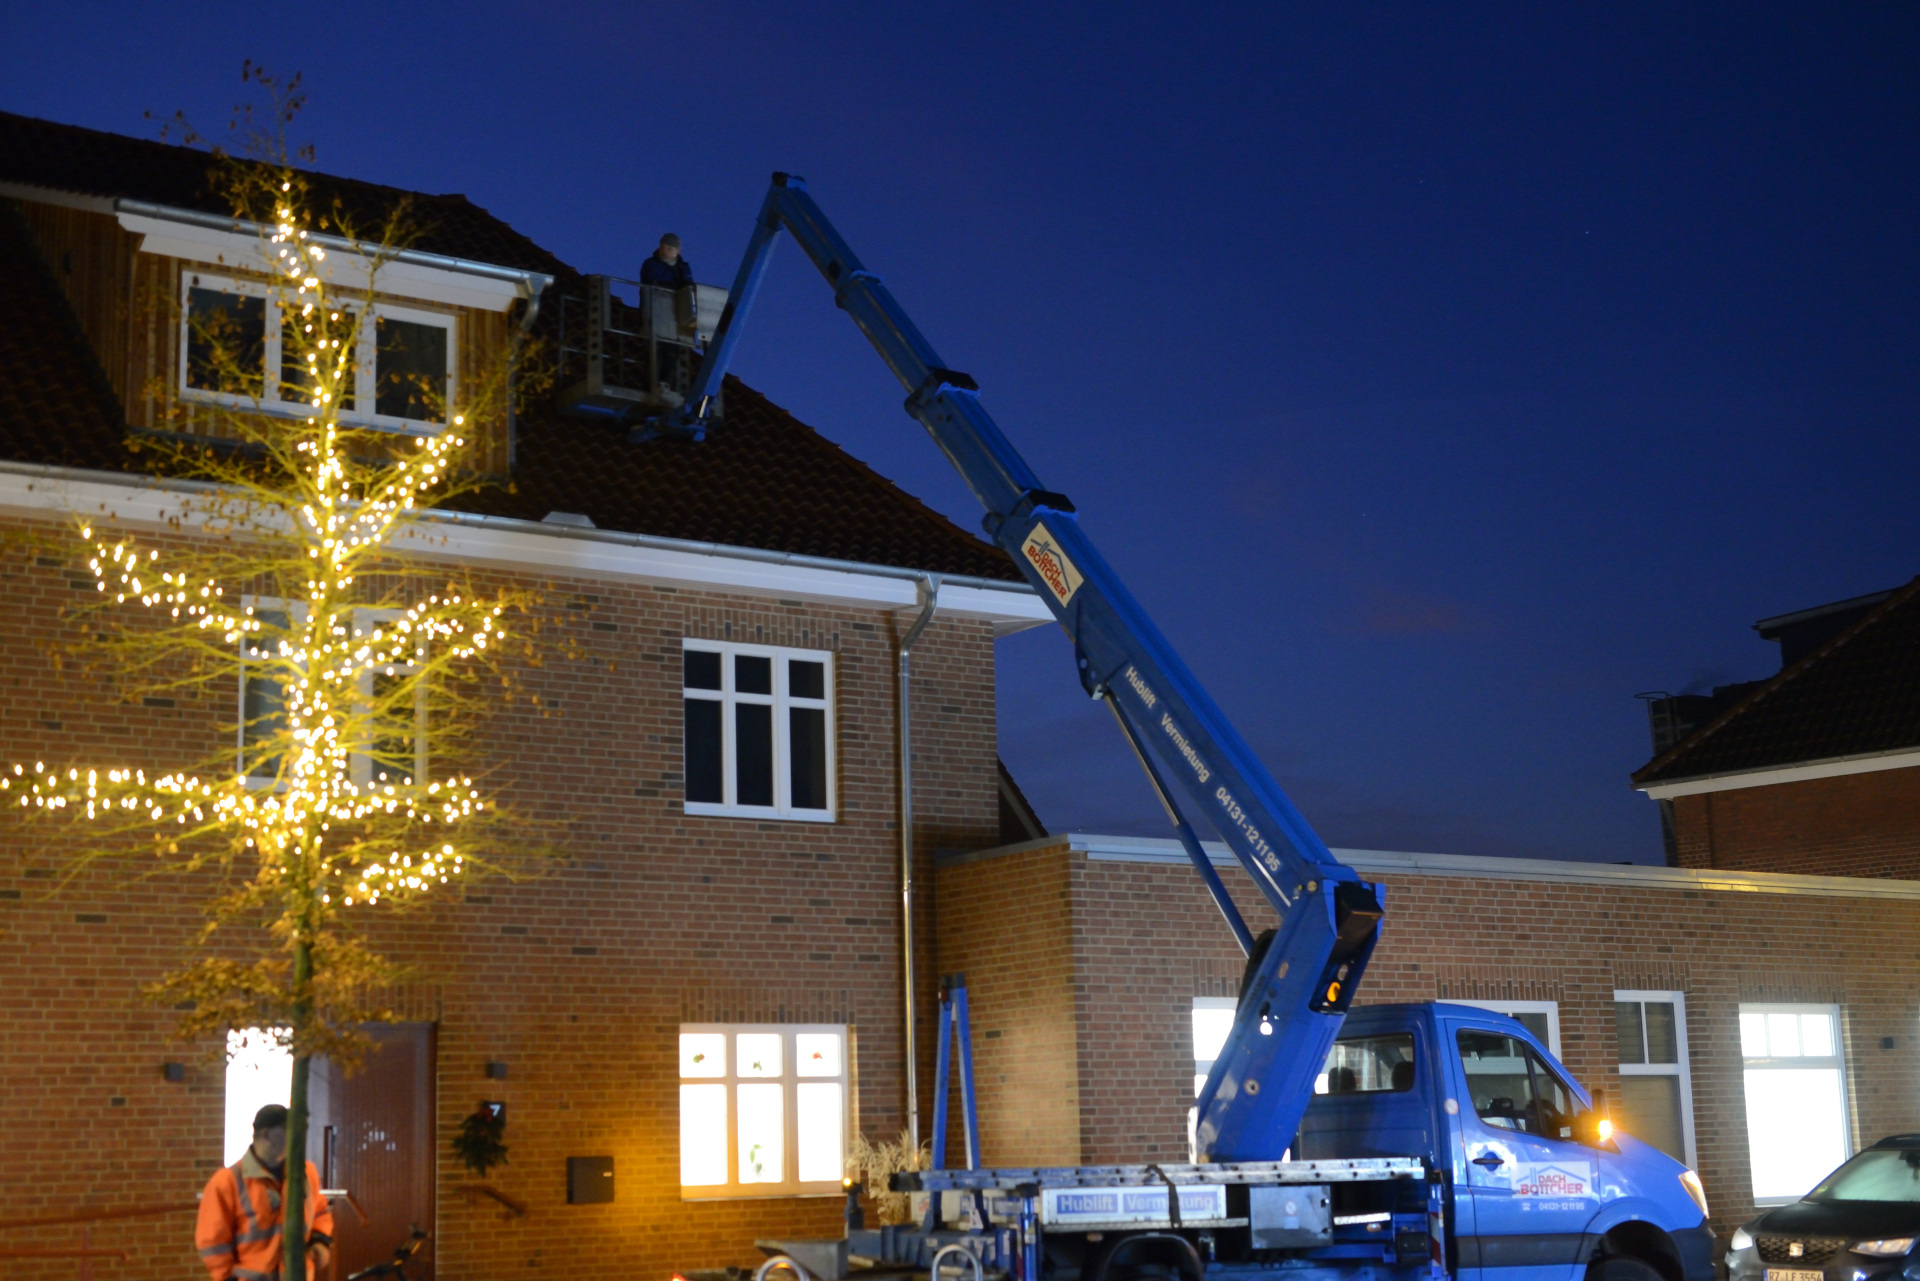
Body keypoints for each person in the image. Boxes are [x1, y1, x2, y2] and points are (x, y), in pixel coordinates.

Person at [195, 1104, 334, 1280]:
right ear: (265, 1134)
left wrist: (319, 1241)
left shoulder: (306, 1173)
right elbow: (213, 1243)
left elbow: (320, 1213)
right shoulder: (226, 1183)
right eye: (287, 1130)